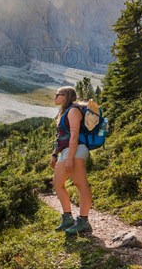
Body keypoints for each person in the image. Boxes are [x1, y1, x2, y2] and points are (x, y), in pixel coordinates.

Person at [50, 86, 93, 234]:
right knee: (57, 183)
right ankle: (68, 218)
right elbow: (60, 136)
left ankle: (83, 221)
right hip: (66, 151)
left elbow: (74, 135)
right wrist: (55, 154)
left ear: (66, 96)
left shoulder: (74, 111)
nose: (55, 97)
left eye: (58, 94)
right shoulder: (64, 112)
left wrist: (70, 158)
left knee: (81, 184)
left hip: (75, 150)